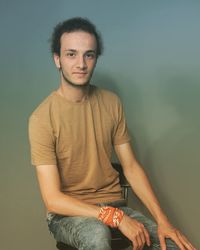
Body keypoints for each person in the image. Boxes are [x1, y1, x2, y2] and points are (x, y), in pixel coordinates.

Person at [28, 17, 196, 250]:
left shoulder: (111, 102)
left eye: (89, 54)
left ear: (96, 59)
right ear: (57, 60)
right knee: (97, 236)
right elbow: (52, 199)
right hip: (67, 215)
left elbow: (131, 167)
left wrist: (163, 221)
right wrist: (113, 217)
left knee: (175, 245)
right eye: (71, 54)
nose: (81, 64)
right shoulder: (41, 118)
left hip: (115, 204)